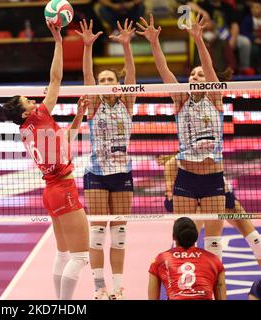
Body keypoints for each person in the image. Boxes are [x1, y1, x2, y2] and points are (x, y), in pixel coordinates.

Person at [0, 22, 90, 300]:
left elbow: (63, 142)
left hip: (50, 192)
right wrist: (58, 41)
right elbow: (56, 78)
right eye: (29, 102)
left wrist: (79, 116)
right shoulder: (38, 116)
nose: (35, 101)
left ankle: (59, 302)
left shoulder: (26, 130)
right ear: (25, 113)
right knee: (81, 256)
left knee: (62, 253)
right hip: (63, 190)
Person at [137, 13, 229, 260]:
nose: (194, 78)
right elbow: (163, 70)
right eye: (191, 75)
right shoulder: (181, 99)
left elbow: (209, 69)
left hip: (212, 179)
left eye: (199, 75)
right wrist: (154, 43)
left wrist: (198, 40)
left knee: (213, 244)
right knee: (183, 243)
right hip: (186, 178)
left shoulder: (215, 98)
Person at [74, 18, 136, 300]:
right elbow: (87, 76)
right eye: (103, 81)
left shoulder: (127, 103)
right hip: (96, 175)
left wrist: (126, 46)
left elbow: (131, 74)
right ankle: (99, 288)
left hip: (122, 174)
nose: (107, 83)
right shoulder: (93, 105)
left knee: (119, 234)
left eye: (112, 80)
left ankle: (119, 286)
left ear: (118, 84)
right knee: (97, 234)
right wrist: (87, 47)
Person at [158, 154, 261, 266]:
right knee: (187, 243)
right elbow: (169, 204)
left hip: (218, 194)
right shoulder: (173, 164)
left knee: (254, 239)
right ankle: (193, 278)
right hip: (195, 199)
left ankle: (207, 278)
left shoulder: (177, 162)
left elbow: (169, 204)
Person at [148, 217, 226, 300]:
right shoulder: (214, 259)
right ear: (196, 236)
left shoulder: (160, 259)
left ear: (174, 237)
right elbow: (221, 290)